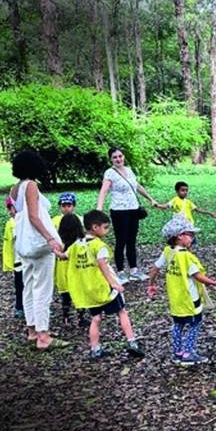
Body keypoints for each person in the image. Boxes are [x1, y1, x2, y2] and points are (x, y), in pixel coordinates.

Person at [147, 216, 216, 365]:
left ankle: (177, 352)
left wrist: (151, 284)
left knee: (178, 325)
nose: (193, 238)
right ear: (180, 236)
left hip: (175, 299)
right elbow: (198, 276)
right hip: (189, 299)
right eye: (190, 234)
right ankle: (188, 353)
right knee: (194, 324)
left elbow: (155, 268)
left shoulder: (168, 252)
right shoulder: (186, 257)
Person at [10, 149, 68, 351]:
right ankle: (43, 336)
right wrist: (50, 238)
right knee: (42, 288)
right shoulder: (31, 185)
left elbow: (16, 213)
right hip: (38, 244)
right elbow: (34, 216)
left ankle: (32, 330)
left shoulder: (14, 188)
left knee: (28, 284)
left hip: (23, 244)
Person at [67, 210, 144, 360]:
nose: (107, 231)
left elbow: (65, 256)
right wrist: (114, 284)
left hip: (90, 290)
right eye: (106, 227)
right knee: (122, 311)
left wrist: (56, 250)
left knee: (96, 318)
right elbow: (102, 265)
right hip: (105, 289)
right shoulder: (99, 245)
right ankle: (132, 342)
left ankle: (95, 349)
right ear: (95, 227)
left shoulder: (76, 245)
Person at [96, 147, 161, 284]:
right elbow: (104, 191)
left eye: (120, 156)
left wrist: (150, 199)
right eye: (115, 157)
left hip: (133, 209)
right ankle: (120, 272)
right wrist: (99, 209)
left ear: (123, 157)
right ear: (111, 159)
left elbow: (137, 186)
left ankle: (134, 270)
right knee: (121, 241)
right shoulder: (110, 173)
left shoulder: (129, 170)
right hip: (119, 211)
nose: (118, 159)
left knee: (131, 240)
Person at [56, 214, 86, 326]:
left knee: (65, 297)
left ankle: (66, 317)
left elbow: (60, 256)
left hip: (62, 273)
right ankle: (81, 317)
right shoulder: (80, 243)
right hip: (77, 273)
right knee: (79, 296)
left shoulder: (59, 242)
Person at [2, 196, 24, 320]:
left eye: (12, 208)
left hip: (30, 260)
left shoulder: (28, 221)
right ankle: (19, 307)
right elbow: (8, 245)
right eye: (9, 208)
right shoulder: (10, 224)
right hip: (18, 261)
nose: (11, 211)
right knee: (19, 285)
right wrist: (8, 263)